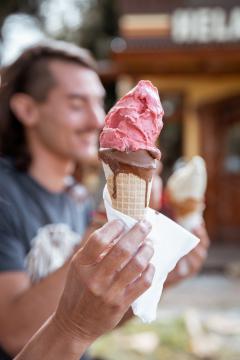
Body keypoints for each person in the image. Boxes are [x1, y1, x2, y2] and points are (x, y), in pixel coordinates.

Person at [0, 39, 209, 360]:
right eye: (76, 104)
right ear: (27, 109)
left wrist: (159, 277)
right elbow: (14, 334)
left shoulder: (79, 197)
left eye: (100, 103)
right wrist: (101, 226)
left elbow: (91, 318)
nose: (97, 119)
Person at [13, 219, 155, 360]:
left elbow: (99, 322)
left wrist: (140, 293)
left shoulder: (81, 201)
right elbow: (14, 337)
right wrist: (72, 328)